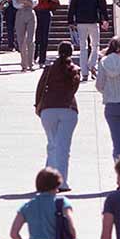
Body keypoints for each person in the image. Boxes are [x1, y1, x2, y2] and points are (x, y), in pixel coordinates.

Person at [35, 41, 80, 187]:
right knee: (63, 147)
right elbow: (73, 90)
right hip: (68, 109)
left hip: (48, 109)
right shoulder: (74, 70)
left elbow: (40, 87)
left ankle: (48, 180)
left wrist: (38, 106)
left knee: (52, 145)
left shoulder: (49, 69)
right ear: (71, 53)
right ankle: (61, 182)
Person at [68, 0, 111, 81]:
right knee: (95, 45)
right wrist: (105, 20)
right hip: (93, 21)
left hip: (81, 22)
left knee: (83, 47)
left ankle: (84, 72)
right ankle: (93, 65)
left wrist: (70, 21)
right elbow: (103, 8)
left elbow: (72, 6)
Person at [32, 0, 59, 66]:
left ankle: (42, 60)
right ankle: (33, 57)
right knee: (35, 36)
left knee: (44, 37)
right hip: (34, 12)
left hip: (45, 12)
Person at [12, 0, 39, 72]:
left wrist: (24, 1)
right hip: (20, 14)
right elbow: (15, 4)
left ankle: (31, 63)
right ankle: (24, 64)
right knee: (21, 40)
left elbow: (35, 2)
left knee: (30, 40)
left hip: (30, 13)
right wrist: (26, 2)